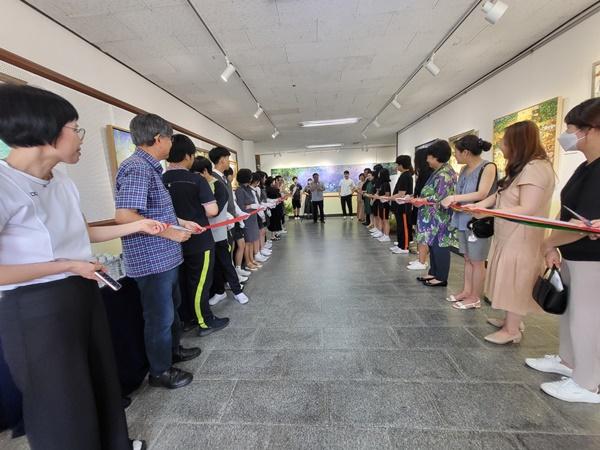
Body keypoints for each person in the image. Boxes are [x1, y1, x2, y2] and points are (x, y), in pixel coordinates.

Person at [0, 84, 158, 448]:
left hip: (81, 292)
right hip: (34, 309)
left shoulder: (62, 180)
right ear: (46, 131)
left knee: (99, 380)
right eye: (75, 127)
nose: (79, 137)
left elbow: (81, 232)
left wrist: (138, 225)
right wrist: (65, 265)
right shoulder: (5, 184)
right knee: (61, 401)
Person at [115, 113, 201, 390]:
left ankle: (173, 352)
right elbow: (125, 217)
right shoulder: (137, 167)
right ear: (158, 139)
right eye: (170, 138)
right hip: (152, 260)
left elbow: (155, 212)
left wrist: (181, 223)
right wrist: (170, 232)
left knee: (171, 311)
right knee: (159, 318)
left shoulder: (152, 169)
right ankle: (160, 371)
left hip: (166, 256)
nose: (171, 144)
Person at [524, 99, 600, 403]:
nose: (566, 135)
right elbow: (570, 214)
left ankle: (588, 383)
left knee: (587, 315)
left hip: (592, 257)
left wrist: (549, 242)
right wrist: (554, 246)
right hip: (572, 253)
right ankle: (569, 362)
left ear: (591, 130)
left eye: (571, 130)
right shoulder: (586, 167)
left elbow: (585, 224)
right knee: (571, 312)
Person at [465, 120, 555, 344]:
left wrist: (486, 213)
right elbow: (501, 195)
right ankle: (510, 320)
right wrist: (481, 206)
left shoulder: (536, 168)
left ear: (517, 143)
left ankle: (512, 330)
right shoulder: (522, 168)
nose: (501, 147)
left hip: (522, 235)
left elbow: (528, 207)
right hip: (509, 234)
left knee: (517, 278)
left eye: (504, 142)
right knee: (508, 276)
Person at [163, 135, 230, 333]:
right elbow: (212, 211)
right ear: (187, 156)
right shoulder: (195, 180)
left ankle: (187, 319)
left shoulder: (161, 179)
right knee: (200, 281)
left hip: (172, 240)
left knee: (182, 282)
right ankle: (204, 320)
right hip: (199, 240)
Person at [440, 136, 497, 310]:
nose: (454, 156)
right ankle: (466, 291)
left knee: (477, 260)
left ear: (466, 152)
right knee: (467, 258)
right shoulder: (464, 169)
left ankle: (475, 297)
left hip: (478, 221)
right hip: (462, 218)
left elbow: (482, 193)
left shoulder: (488, 167)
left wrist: (455, 198)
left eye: (456, 152)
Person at [191, 157, 250, 305]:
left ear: (204, 171)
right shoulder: (198, 185)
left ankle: (237, 291)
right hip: (203, 234)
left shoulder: (218, 186)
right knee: (214, 266)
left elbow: (215, 211)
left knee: (225, 263)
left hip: (219, 233)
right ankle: (219, 291)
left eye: (197, 174)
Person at [412, 140, 458, 287]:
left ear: (436, 157)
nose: (427, 160)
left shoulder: (445, 173)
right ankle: (433, 272)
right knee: (433, 245)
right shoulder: (438, 171)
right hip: (431, 217)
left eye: (429, 157)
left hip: (439, 217)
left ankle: (441, 276)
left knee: (440, 246)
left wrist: (422, 200)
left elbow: (440, 196)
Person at [207, 147, 249, 307]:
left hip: (227, 226)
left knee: (225, 259)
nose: (228, 161)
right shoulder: (211, 179)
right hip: (217, 227)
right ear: (222, 159)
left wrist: (237, 215)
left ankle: (236, 290)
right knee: (221, 261)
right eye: (227, 158)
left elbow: (230, 202)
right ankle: (220, 291)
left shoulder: (224, 178)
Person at [407, 149, 433, 270]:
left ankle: (422, 261)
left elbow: (425, 193)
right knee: (420, 234)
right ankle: (420, 259)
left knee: (423, 235)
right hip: (419, 206)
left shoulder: (428, 173)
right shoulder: (422, 173)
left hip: (425, 208)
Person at [236, 169, 266, 269]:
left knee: (253, 240)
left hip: (252, 218)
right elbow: (241, 207)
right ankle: (248, 262)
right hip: (246, 219)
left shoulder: (248, 188)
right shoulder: (240, 190)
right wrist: (250, 206)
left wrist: (254, 206)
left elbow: (254, 202)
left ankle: (252, 259)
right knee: (248, 242)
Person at [389, 155, 415, 254]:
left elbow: (401, 194)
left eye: (397, 164)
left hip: (403, 207)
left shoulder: (406, 176)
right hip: (399, 206)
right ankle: (400, 244)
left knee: (404, 226)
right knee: (400, 226)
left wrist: (389, 198)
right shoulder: (404, 175)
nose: (397, 167)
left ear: (401, 165)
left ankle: (404, 247)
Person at [374, 168, 392, 242]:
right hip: (381, 203)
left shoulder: (386, 184)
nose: (378, 175)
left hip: (385, 204)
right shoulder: (382, 184)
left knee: (385, 220)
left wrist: (378, 197)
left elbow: (387, 195)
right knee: (382, 219)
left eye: (380, 173)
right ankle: (383, 234)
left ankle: (386, 235)